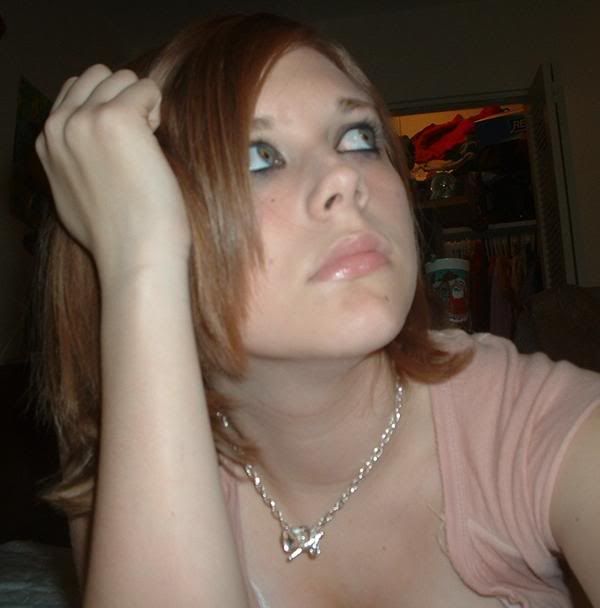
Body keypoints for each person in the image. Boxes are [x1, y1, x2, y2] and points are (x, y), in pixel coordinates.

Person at [34, 13, 600, 608]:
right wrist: (140, 260)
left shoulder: (537, 427)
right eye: (258, 156)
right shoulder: (127, 460)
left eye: (358, 138)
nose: (345, 177)